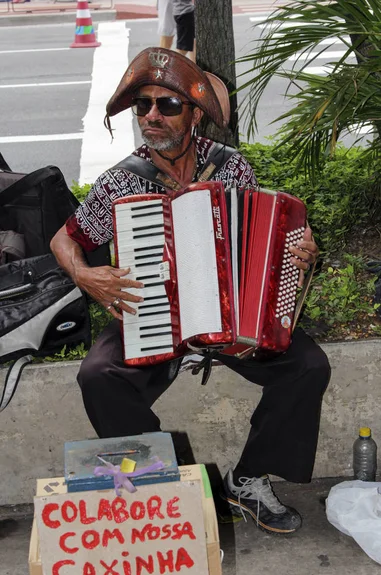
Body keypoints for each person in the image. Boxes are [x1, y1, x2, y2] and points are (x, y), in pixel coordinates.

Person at [50, 47, 331, 535]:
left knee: (307, 367)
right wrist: (84, 275)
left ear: (195, 114)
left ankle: (246, 480)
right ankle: (169, 484)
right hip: (153, 320)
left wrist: (298, 251)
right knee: (97, 377)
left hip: (228, 324)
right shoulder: (122, 181)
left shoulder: (231, 167)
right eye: (143, 105)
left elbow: (261, 243)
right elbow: (64, 239)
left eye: (167, 105)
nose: (151, 116)